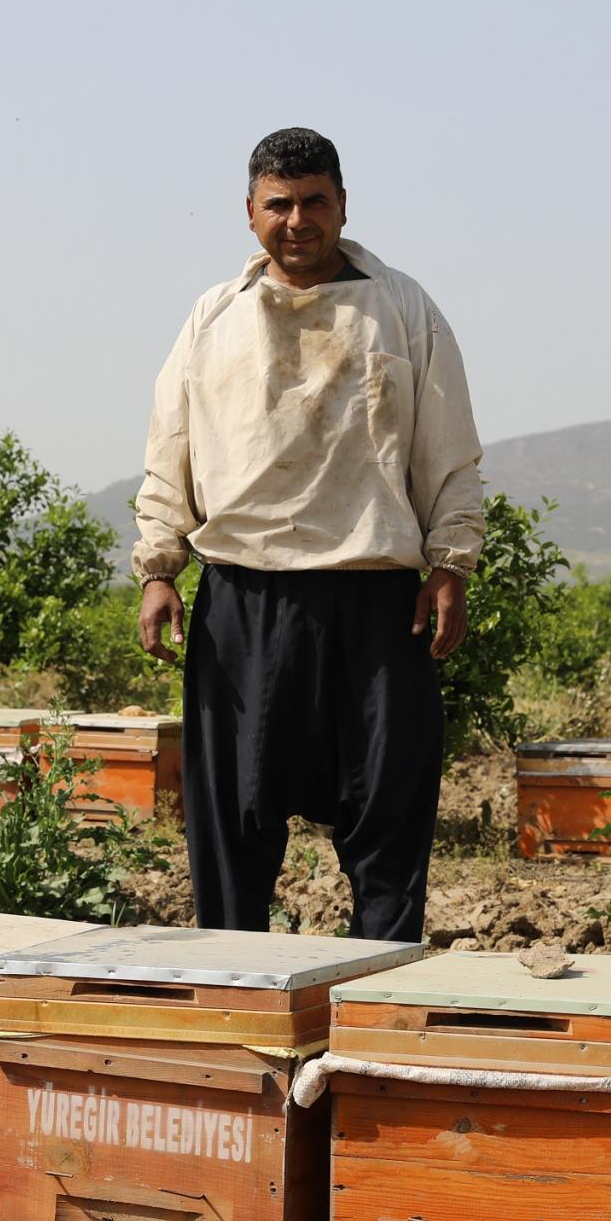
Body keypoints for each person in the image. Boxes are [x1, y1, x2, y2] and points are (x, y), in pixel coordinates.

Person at [131, 127, 485, 943]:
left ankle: (376, 1014)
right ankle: (233, 1002)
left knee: (389, 821)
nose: (298, 220)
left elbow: (449, 447)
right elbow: (169, 452)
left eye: (314, 202)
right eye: (279, 205)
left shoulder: (403, 307)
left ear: (343, 205)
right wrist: (159, 568)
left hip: (376, 599)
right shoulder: (212, 317)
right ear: (250, 214)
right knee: (230, 828)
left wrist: (451, 564)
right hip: (244, 600)